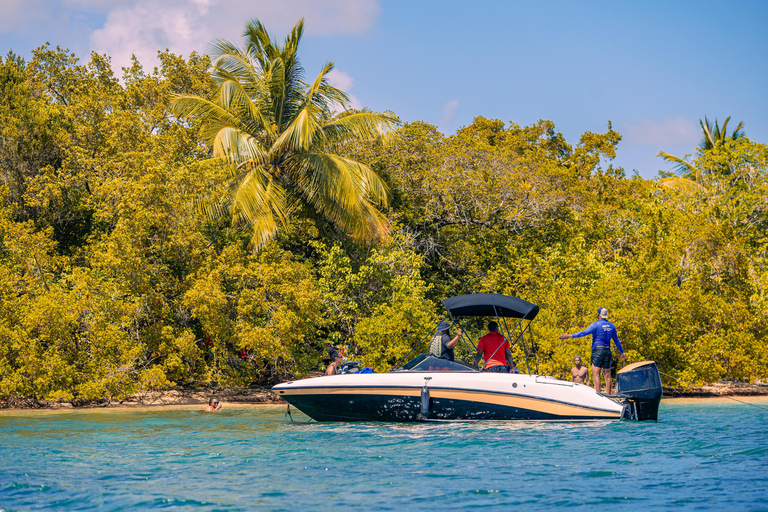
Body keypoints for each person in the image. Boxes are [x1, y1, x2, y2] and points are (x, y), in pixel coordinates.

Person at [559, 307, 628, 393]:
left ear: (598, 315)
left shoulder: (596, 324)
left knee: (596, 374)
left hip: (598, 350)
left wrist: (569, 336)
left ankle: (599, 395)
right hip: (607, 351)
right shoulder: (612, 326)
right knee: (608, 375)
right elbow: (616, 341)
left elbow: (583, 333)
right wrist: (622, 352)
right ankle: (609, 397)